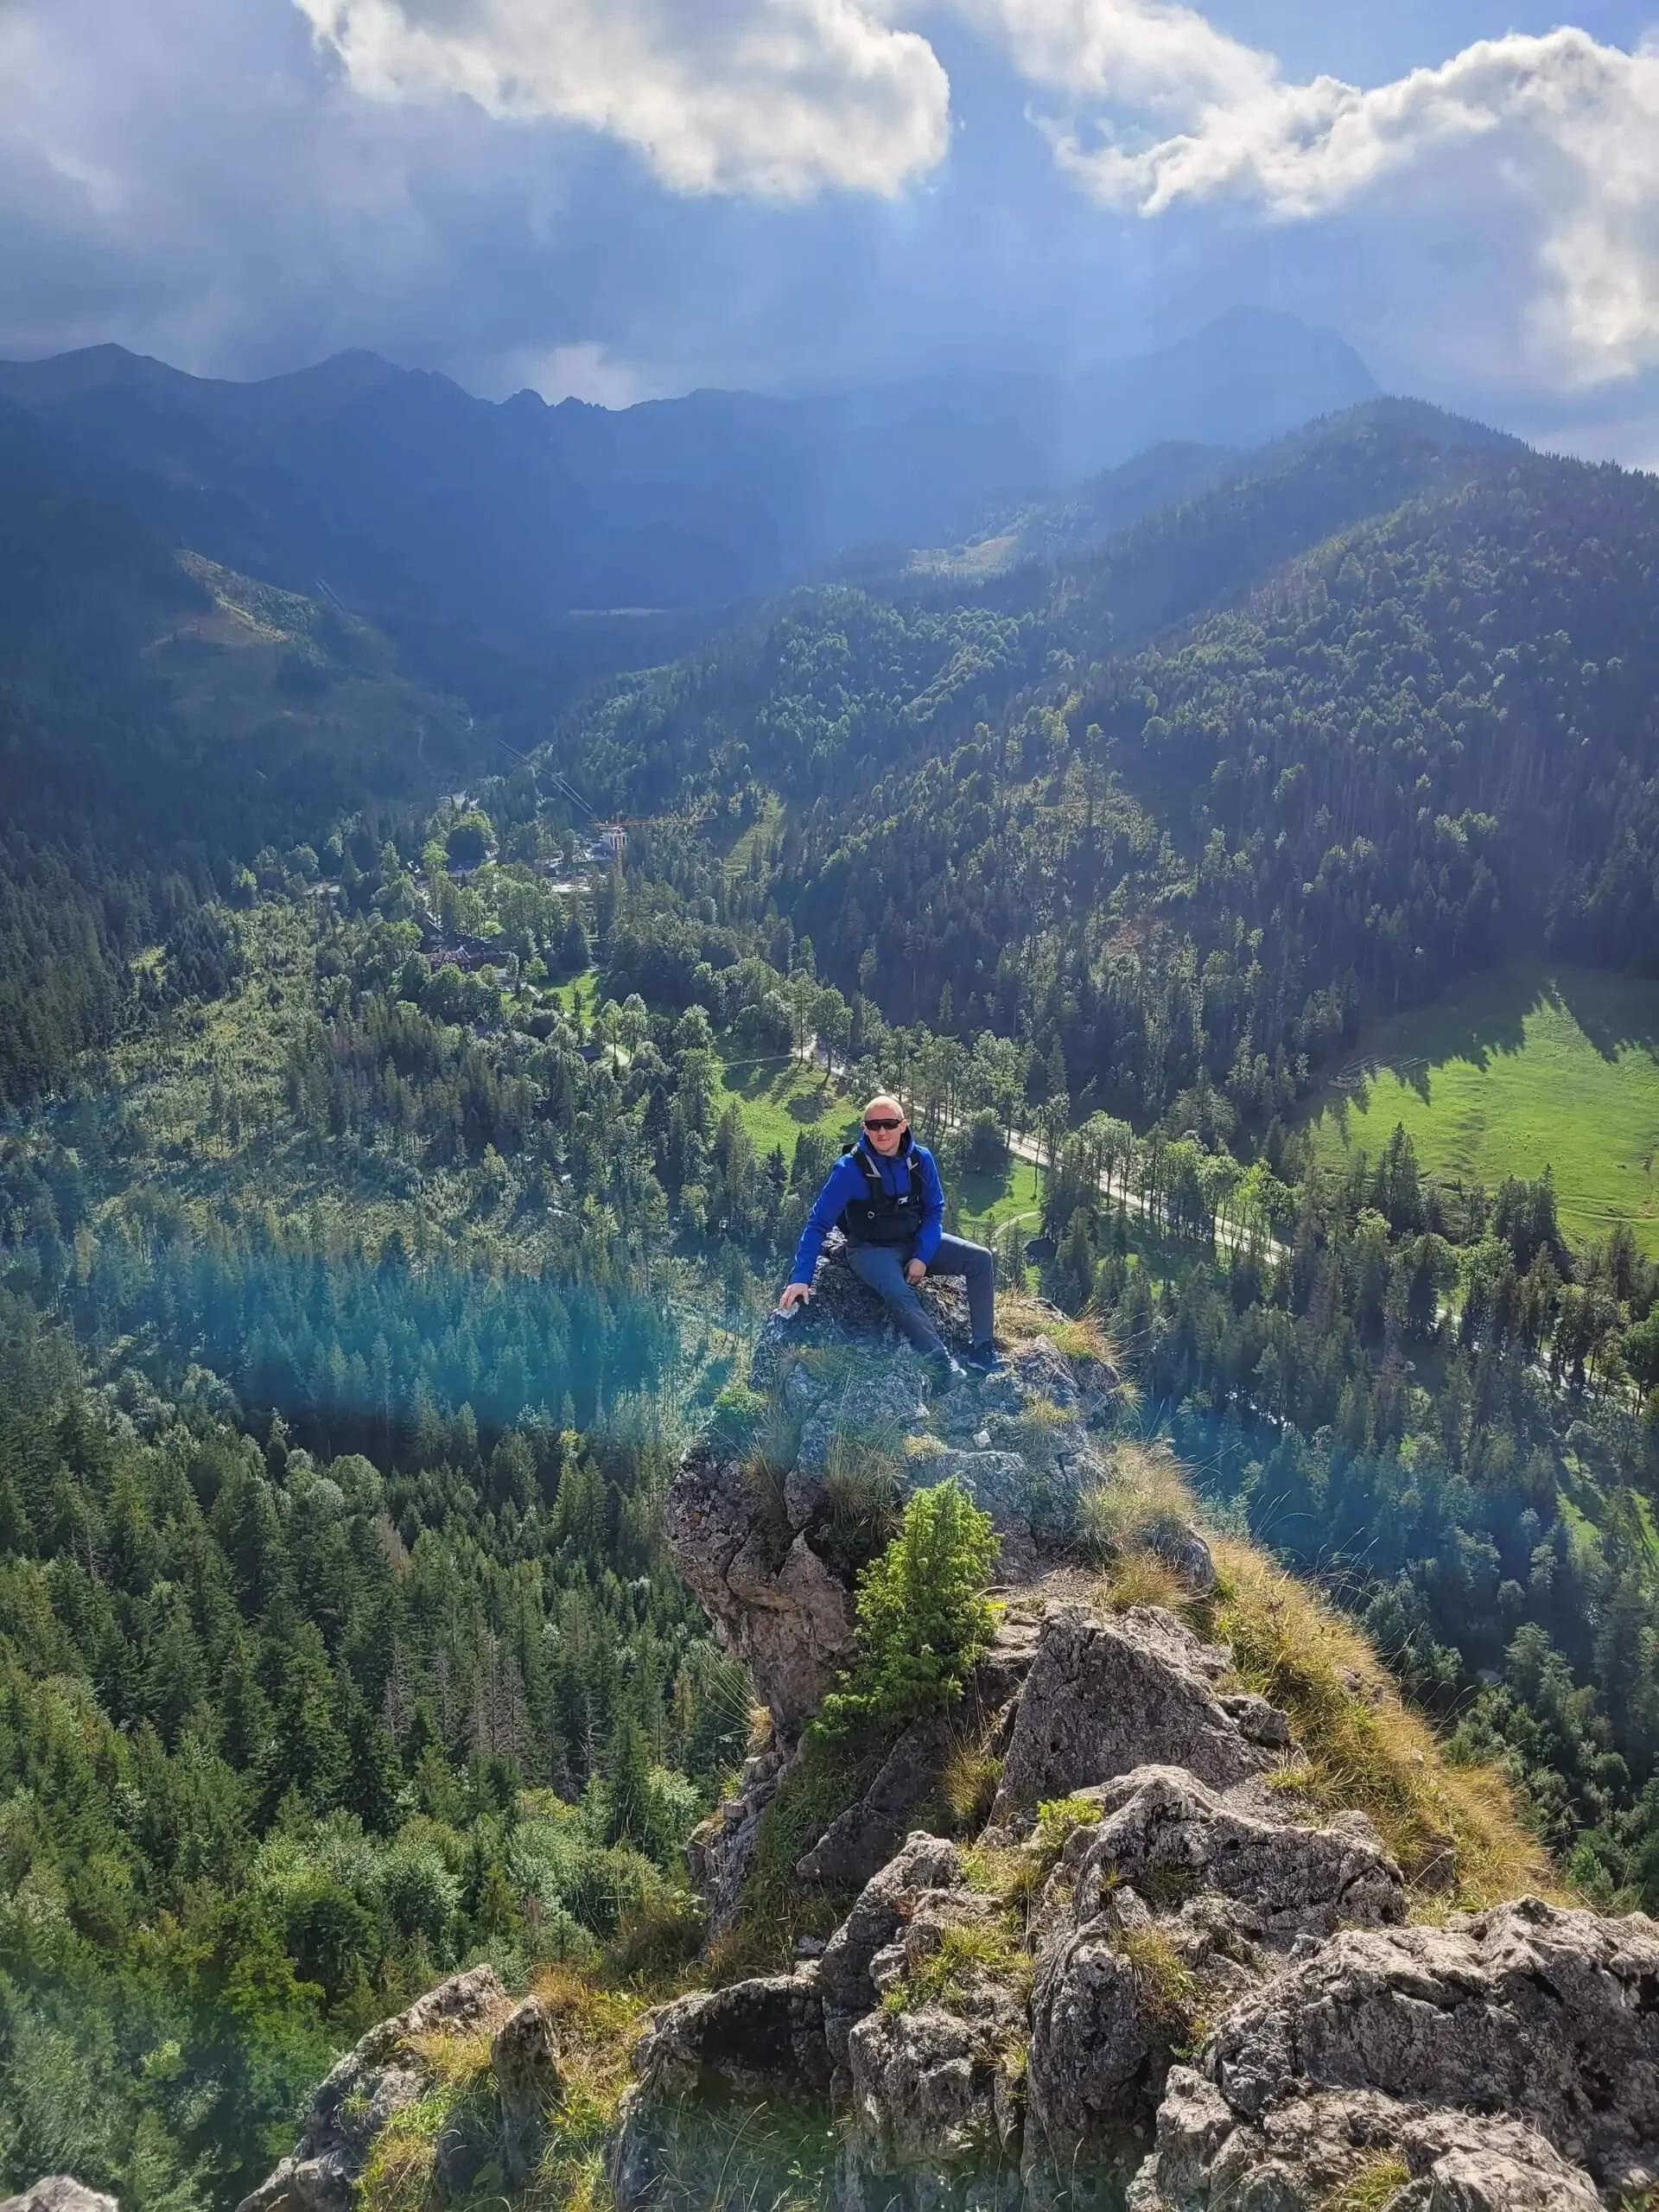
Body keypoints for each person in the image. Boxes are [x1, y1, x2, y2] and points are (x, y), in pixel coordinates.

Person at [779, 1093, 1001, 1377]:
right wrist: (801, 1277)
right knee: (898, 1291)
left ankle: (982, 1348)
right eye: (874, 1125)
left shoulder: (921, 1160)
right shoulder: (849, 1170)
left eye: (889, 1123)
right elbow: (818, 1223)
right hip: (870, 1250)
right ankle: (943, 1363)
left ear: (903, 1125)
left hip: (914, 1240)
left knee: (980, 1259)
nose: (881, 1131)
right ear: (864, 1128)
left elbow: (934, 1211)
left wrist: (922, 1256)